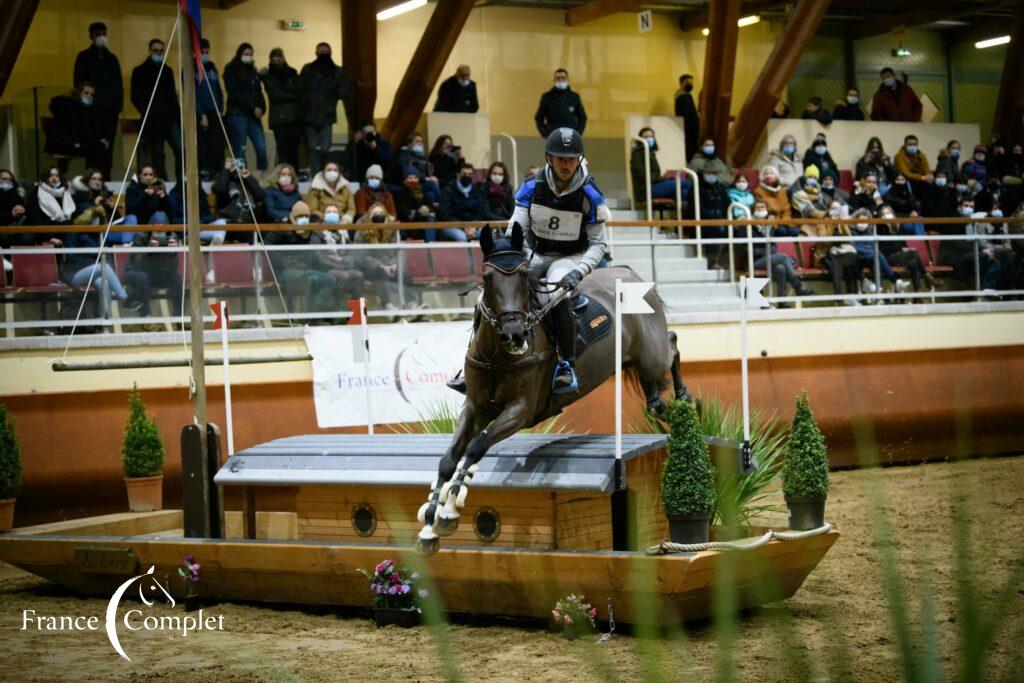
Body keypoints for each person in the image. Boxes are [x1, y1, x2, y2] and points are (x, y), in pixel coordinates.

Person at [501, 127, 608, 392]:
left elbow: (598, 245)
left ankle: (566, 364)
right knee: (494, 289)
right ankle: (477, 359)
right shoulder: (530, 186)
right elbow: (516, 230)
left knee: (556, 288)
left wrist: (579, 271)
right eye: (561, 158)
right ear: (549, 158)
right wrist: (514, 259)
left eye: (571, 159)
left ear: (579, 159)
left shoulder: (590, 195)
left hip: (569, 257)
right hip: (535, 253)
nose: (566, 164)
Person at [264, 200, 339, 314]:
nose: (303, 218)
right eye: (300, 216)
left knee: (330, 279)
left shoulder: (310, 232)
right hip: (285, 271)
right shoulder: (282, 230)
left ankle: (318, 312)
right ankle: (309, 315)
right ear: (293, 216)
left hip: (306, 269)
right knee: (311, 279)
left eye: (306, 216)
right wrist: (284, 263)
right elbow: (267, 246)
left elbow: (314, 254)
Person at [73, 22, 122, 178]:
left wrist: (117, 107)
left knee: (109, 148)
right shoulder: (84, 57)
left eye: (104, 33)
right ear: (91, 36)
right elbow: (78, 83)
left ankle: (106, 179)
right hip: (91, 111)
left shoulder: (112, 58)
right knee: (93, 147)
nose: (102, 37)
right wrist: (84, 105)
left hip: (110, 112)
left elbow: (118, 84)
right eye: (98, 33)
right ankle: (91, 179)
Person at [130, 39, 181, 180]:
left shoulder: (167, 71)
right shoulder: (139, 71)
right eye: (156, 50)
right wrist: (147, 111)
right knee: (158, 152)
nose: (159, 53)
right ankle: (162, 180)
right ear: (149, 51)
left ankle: (182, 179)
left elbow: (172, 96)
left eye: (161, 51)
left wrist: (178, 117)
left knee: (180, 147)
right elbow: (135, 96)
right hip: (152, 118)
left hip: (169, 118)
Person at [744, 199, 812, 301]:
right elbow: (745, 250)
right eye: (757, 208)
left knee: (781, 268)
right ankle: (798, 286)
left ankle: (782, 301)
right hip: (754, 260)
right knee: (783, 257)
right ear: (753, 210)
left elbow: (773, 246)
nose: (760, 210)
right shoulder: (746, 225)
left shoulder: (769, 225)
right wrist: (767, 251)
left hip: (769, 259)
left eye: (762, 207)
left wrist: (770, 251)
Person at [300, 43, 351, 174]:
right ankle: (315, 176)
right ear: (316, 53)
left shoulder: (337, 72)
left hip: (326, 116)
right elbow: (300, 90)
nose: (323, 55)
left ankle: (323, 175)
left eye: (325, 52)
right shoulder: (307, 69)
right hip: (310, 116)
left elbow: (344, 91)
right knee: (312, 149)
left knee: (324, 149)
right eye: (321, 52)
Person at [123, 212, 183, 320]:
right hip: (135, 272)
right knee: (142, 277)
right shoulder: (140, 235)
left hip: (157, 272)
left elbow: (174, 267)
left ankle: (179, 317)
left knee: (176, 279)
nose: (159, 234)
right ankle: (145, 316)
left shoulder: (172, 236)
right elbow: (137, 264)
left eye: (162, 231)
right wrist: (148, 250)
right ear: (150, 228)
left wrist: (173, 252)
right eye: (156, 230)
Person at [939, 198, 1001, 291]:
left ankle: (988, 290)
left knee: (994, 259)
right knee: (984, 256)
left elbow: (973, 242)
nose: (969, 209)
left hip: (968, 254)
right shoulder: (952, 219)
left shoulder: (972, 222)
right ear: (959, 207)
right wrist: (981, 250)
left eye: (971, 206)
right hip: (953, 256)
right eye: (966, 206)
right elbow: (958, 244)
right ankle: (984, 289)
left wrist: (984, 250)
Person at [44, 82, 108, 174]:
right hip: (66, 145)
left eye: (92, 95)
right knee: (99, 148)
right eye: (86, 93)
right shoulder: (72, 110)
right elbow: (80, 135)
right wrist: (98, 142)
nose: (89, 96)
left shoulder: (83, 110)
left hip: (70, 144)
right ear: (79, 93)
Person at [223, 43, 267, 171]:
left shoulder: (253, 72)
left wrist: (261, 108)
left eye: (251, 55)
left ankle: (262, 180)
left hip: (254, 116)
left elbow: (259, 93)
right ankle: (241, 179)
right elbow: (234, 93)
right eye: (246, 54)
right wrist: (253, 107)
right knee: (240, 150)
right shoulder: (231, 69)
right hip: (238, 114)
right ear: (239, 54)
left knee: (261, 149)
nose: (248, 57)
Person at [850, 206, 911, 296]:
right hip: (859, 258)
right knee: (878, 255)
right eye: (860, 220)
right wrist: (871, 252)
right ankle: (895, 280)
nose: (862, 223)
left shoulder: (870, 232)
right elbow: (855, 248)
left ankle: (879, 294)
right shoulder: (851, 232)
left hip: (870, 257)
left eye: (865, 221)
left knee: (878, 261)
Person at [260, 48, 303, 171]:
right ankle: (283, 175)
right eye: (274, 60)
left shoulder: (292, 72)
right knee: (283, 151)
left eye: (279, 59)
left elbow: (299, 90)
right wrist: (291, 94)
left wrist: (285, 93)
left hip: (294, 119)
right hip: (279, 120)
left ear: (284, 58)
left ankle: (294, 175)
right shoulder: (268, 76)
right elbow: (275, 95)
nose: (277, 62)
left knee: (294, 150)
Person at [876, 204, 933, 292]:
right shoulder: (880, 228)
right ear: (880, 216)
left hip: (899, 255)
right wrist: (902, 249)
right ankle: (925, 276)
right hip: (887, 258)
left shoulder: (898, 226)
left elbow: (904, 241)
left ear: (893, 214)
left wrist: (903, 249)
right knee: (913, 254)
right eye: (883, 214)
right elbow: (885, 248)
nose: (886, 216)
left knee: (913, 261)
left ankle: (918, 294)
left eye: (888, 213)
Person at [630, 127, 690, 205]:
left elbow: (654, 176)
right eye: (646, 137)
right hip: (645, 189)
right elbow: (644, 176)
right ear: (640, 140)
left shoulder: (650, 153)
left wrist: (664, 179)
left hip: (653, 186)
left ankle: (693, 216)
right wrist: (663, 179)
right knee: (685, 182)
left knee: (683, 192)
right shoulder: (637, 154)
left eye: (651, 136)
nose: (650, 138)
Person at [813, 208, 861, 305]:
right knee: (836, 262)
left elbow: (850, 240)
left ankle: (851, 296)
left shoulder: (840, 222)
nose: (836, 212)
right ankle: (838, 297)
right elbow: (824, 240)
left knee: (850, 261)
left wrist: (843, 225)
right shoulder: (821, 223)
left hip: (839, 254)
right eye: (833, 208)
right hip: (824, 255)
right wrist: (832, 224)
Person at [195, 39, 226, 179]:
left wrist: (220, 108)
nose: (205, 54)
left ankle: (217, 170)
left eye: (207, 52)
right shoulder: (191, 69)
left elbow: (218, 89)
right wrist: (201, 114)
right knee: (203, 144)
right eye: (202, 52)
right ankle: (204, 170)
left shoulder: (212, 68)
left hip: (215, 111)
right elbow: (193, 93)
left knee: (218, 143)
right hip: (201, 112)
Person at [437, 162, 485, 238]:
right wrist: (463, 227)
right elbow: (445, 214)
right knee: (462, 238)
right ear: (458, 174)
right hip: (452, 225)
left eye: (470, 174)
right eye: (464, 174)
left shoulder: (477, 190)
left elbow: (480, 212)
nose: (467, 176)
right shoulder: (448, 189)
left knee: (488, 234)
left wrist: (473, 226)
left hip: (473, 226)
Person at [534, 69, 586, 138]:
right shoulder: (547, 97)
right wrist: (545, 133)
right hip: (553, 136)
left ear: (567, 79)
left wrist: (578, 133)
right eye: (558, 78)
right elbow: (539, 117)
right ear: (554, 80)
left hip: (571, 136)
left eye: (563, 78)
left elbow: (582, 117)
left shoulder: (574, 97)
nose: (560, 80)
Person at [213, 158, 265, 224]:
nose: (236, 170)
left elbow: (261, 195)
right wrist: (226, 170)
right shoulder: (223, 184)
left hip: (247, 222)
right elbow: (221, 190)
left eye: (240, 167)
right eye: (232, 167)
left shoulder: (249, 185)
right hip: (228, 221)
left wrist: (248, 177)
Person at [698, 164, 731, 267]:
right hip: (704, 222)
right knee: (716, 229)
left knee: (737, 230)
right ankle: (712, 262)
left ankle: (726, 262)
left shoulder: (721, 188)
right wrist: (717, 219)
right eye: (709, 173)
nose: (712, 176)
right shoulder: (697, 188)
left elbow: (728, 205)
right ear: (703, 174)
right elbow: (699, 210)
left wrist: (728, 219)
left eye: (714, 173)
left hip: (722, 219)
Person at [394, 132, 441, 203]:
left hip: (422, 185)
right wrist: (426, 179)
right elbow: (408, 174)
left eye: (422, 142)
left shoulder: (423, 158)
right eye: (417, 141)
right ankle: (443, 209)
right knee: (432, 185)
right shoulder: (403, 156)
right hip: (411, 185)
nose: (420, 144)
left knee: (430, 195)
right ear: (409, 144)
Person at [753, 165, 795, 235]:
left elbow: (786, 209)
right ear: (762, 177)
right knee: (782, 231)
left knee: (794, 231)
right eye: (766, 174)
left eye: (771, 173)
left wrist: (785, 220)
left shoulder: (781, 190)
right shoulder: (759, 191)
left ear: (776, 176)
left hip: (784, 219)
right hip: (770, 221)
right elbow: (763, 210)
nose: (769, 176)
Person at [674, 74, 700, 161]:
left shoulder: (682, 96)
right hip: (689, 130)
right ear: (681, 83)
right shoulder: (683, 97)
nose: (690, 84)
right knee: (690, 153)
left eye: (691, 82)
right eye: (687, 82)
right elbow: (689, 115)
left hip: (686, 128)